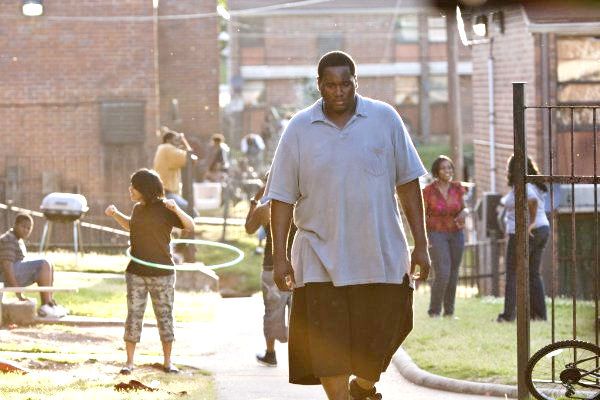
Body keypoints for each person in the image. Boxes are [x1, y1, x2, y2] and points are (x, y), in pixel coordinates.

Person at [264, 51, 431, 400]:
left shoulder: (385, 119)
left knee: (389, 329)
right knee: (329, 351)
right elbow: (281, 198)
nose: (338, 92)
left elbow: (408, 185)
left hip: (380, 254)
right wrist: (280, 256)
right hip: (319, 256)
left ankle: (364, 387)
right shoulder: (299, 128)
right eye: (330, 85)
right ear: (319, 86)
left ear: (356, 82)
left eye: (345, 84)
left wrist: (422, 245)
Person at [105, 168, 194, 374]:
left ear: (144, 188)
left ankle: (168, 362)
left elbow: (190, 225)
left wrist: (176, 209)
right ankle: (129, 363)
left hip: (162, 273)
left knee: (165, 316)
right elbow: (132, 227)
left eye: (133, 186)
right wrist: (116, 214)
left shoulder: (165, 208)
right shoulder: (137, 209)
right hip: (136, 271)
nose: (130, 189)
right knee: (134, 315)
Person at [245, 175, 296, 367]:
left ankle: (271, 353)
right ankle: (299, 356)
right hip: (299, 266)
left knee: (272, 311)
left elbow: (249, 229)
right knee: (298, 313)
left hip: (272, 265)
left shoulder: (265, 209)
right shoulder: (302, 206)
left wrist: (254, 202)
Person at [497, 155, 549, 322]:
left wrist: (530, 225)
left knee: (512, 273)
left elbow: (532, 202)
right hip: (542, 229)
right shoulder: (532, 183)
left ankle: (508, 315)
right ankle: (539, 315)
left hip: (526, 232)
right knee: (533, 273)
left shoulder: (524, 185)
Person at [423, 155, 467, 318]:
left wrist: (465, 212)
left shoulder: (457, 188)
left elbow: (464, 208)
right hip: (436, 233)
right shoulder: (428, 191)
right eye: (443, 168)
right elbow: (422, 213)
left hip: (456, 233)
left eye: (449, 167)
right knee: (443, 272)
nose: (447, 171)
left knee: (454, 272)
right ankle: (434, 311)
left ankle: (449, 312)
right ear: (436, 171)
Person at [0, 213, 68, 318]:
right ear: (15, 225)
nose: (26, 230)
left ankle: (49, 303)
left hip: (10, 275)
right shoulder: (8, 239)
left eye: (29, 228)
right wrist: (19, 294)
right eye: (23, 227)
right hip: (3, 277)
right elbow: (7, 267)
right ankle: (45, 306)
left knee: (49, 264)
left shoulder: (18, 240)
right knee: (44, 264)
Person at [153, 128, 195, 214]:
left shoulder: (161, 148)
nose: (178, 143)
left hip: (162, 192)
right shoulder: (168, 148)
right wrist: (184, 141)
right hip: (168, 194)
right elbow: (192, 159)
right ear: (168, 140)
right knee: (191, 213)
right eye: (176, 140)